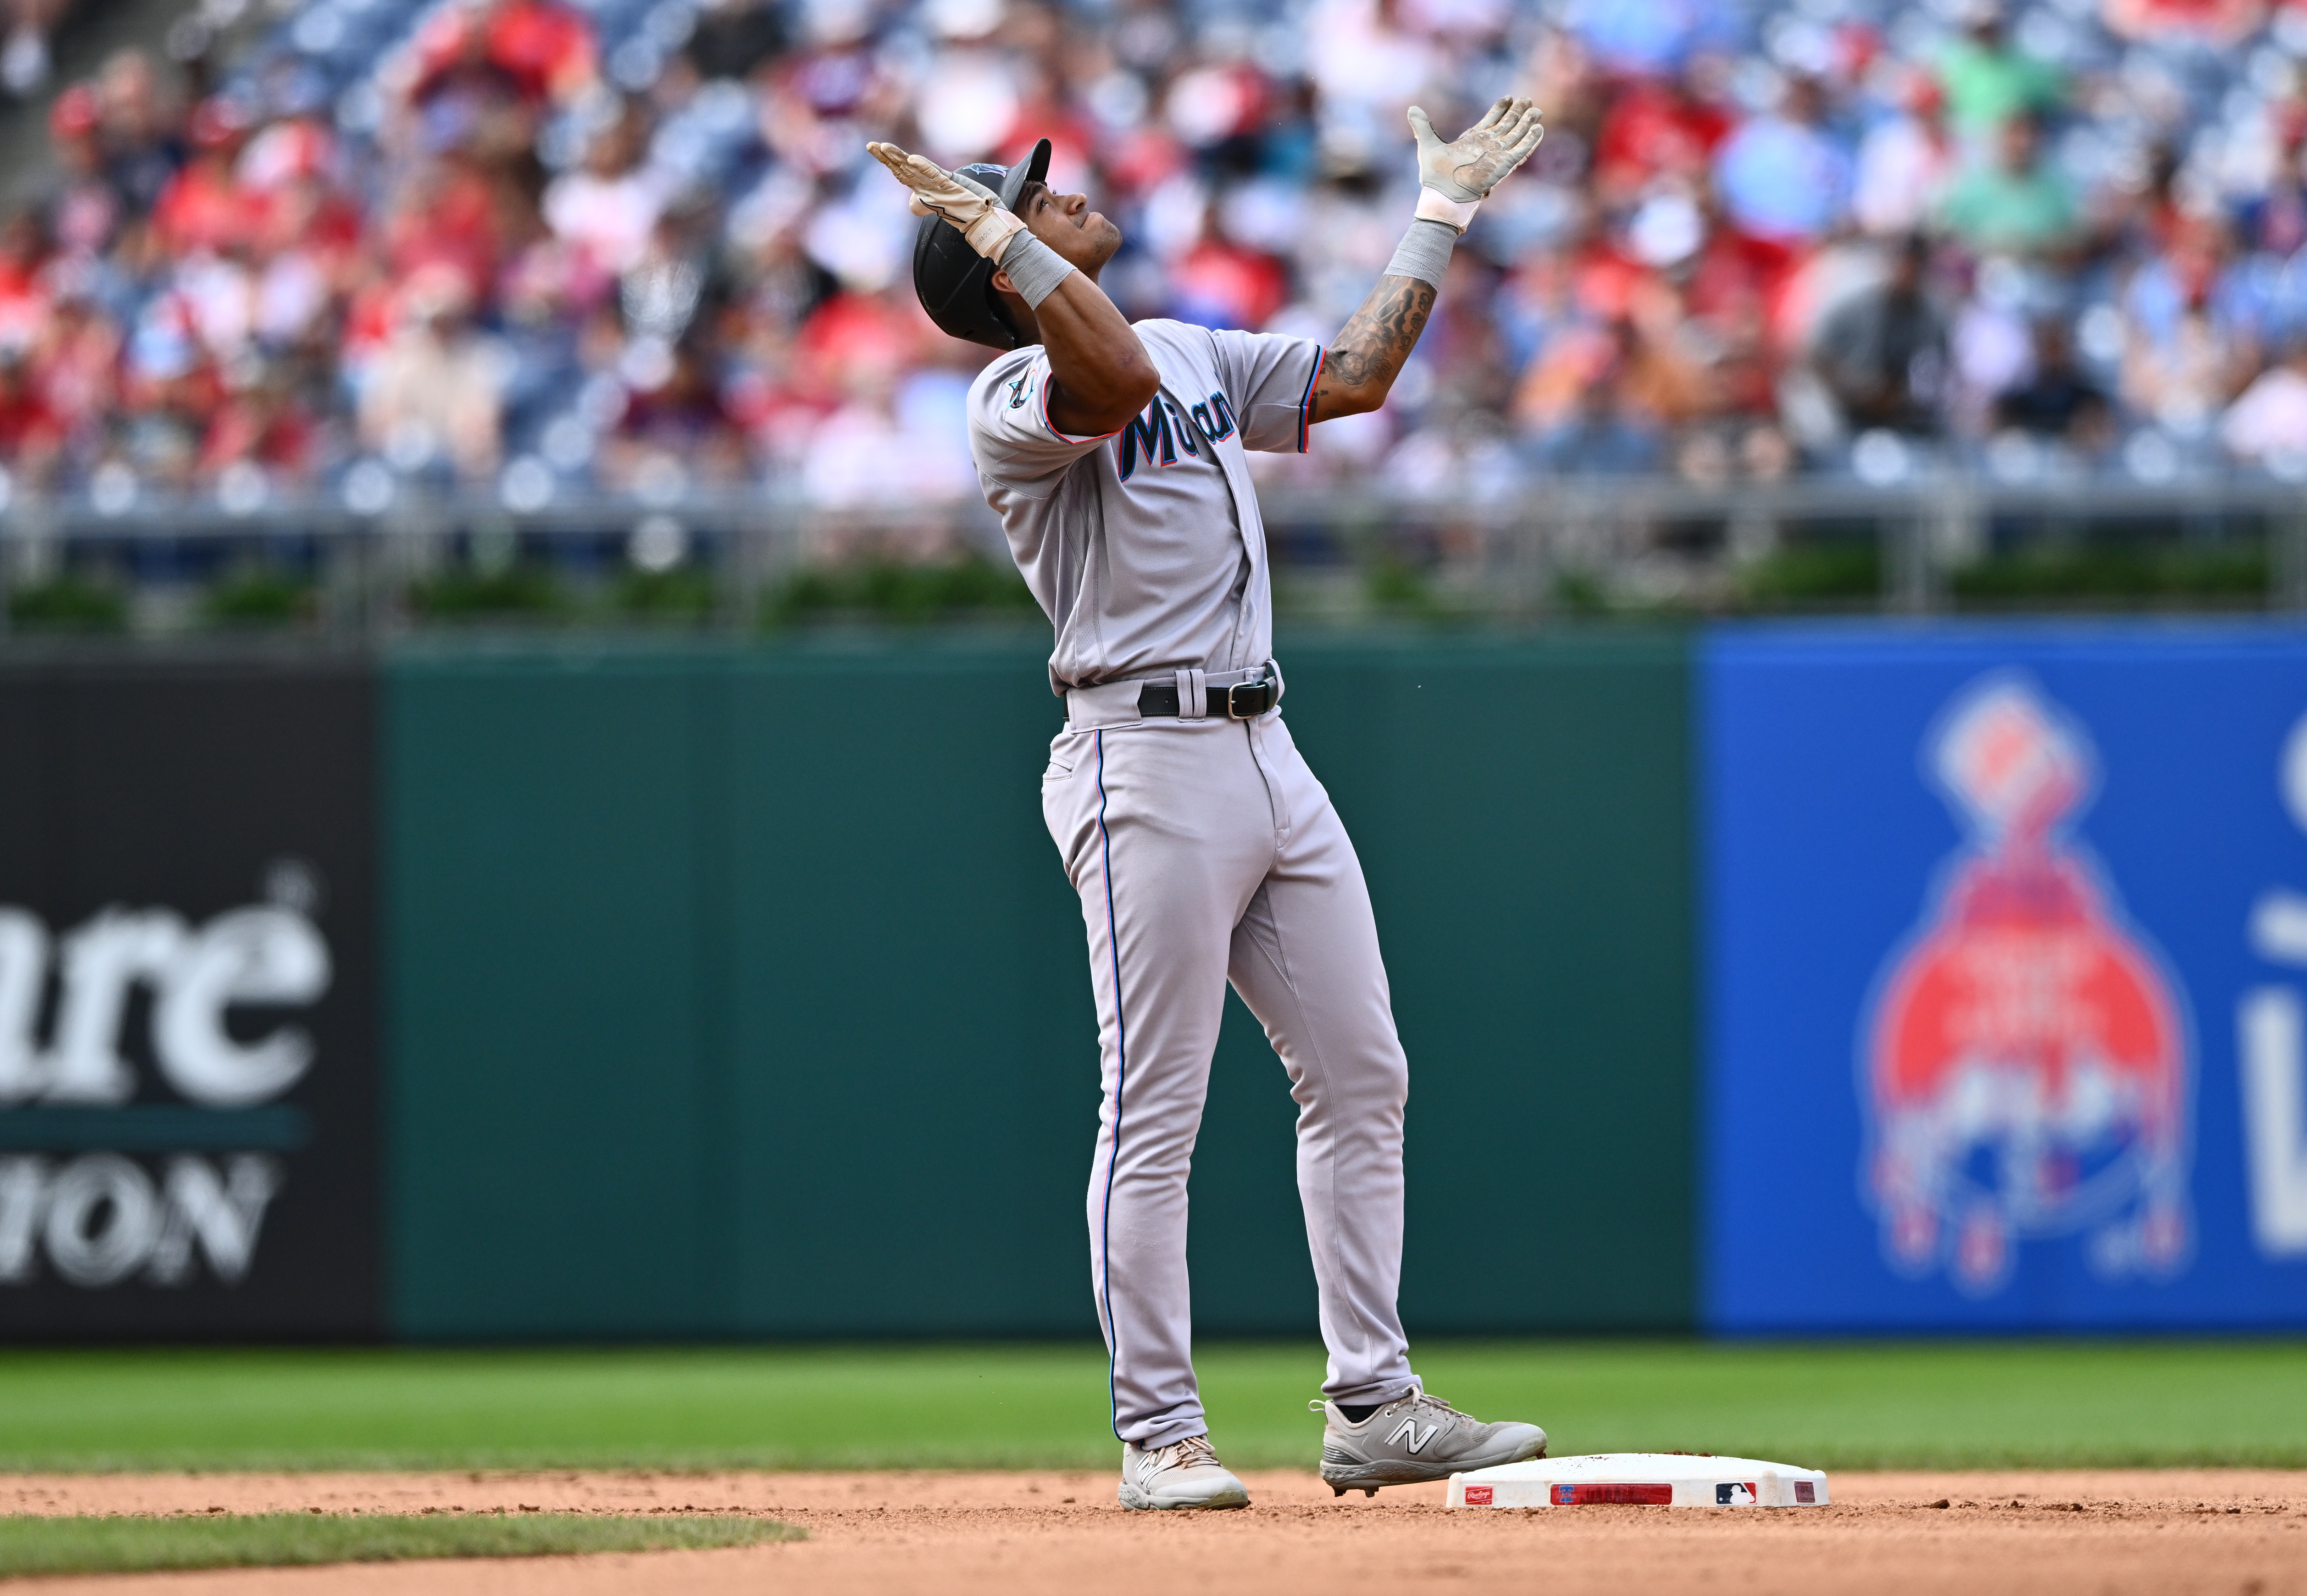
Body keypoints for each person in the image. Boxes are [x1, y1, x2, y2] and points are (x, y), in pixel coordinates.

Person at [866, 101, 1552, 1513]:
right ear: (1003, 273)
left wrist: (1440, 213)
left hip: (1263, 744)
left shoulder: (1182, 343)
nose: (1064, 203)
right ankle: (1160, 1432)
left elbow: (1353, 381)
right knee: (1155, 1111)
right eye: (1036, 207)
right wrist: (990, 230)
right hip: (1138, 756)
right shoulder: (1008, 400)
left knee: (1363, 1074)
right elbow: (1104, 390)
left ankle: (1372, 1402)